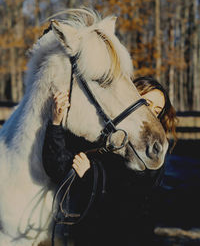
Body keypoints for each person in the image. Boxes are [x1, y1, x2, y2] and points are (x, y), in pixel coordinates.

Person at [42, 76, 177, 246]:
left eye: (157, 111)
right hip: (87, 236)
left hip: (129, 238)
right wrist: (55, 123)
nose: (150, 113)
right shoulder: (100, 133)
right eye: (146, 103)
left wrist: (91, 175)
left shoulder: (150, 150)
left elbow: (136, 196)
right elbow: (57, 168)